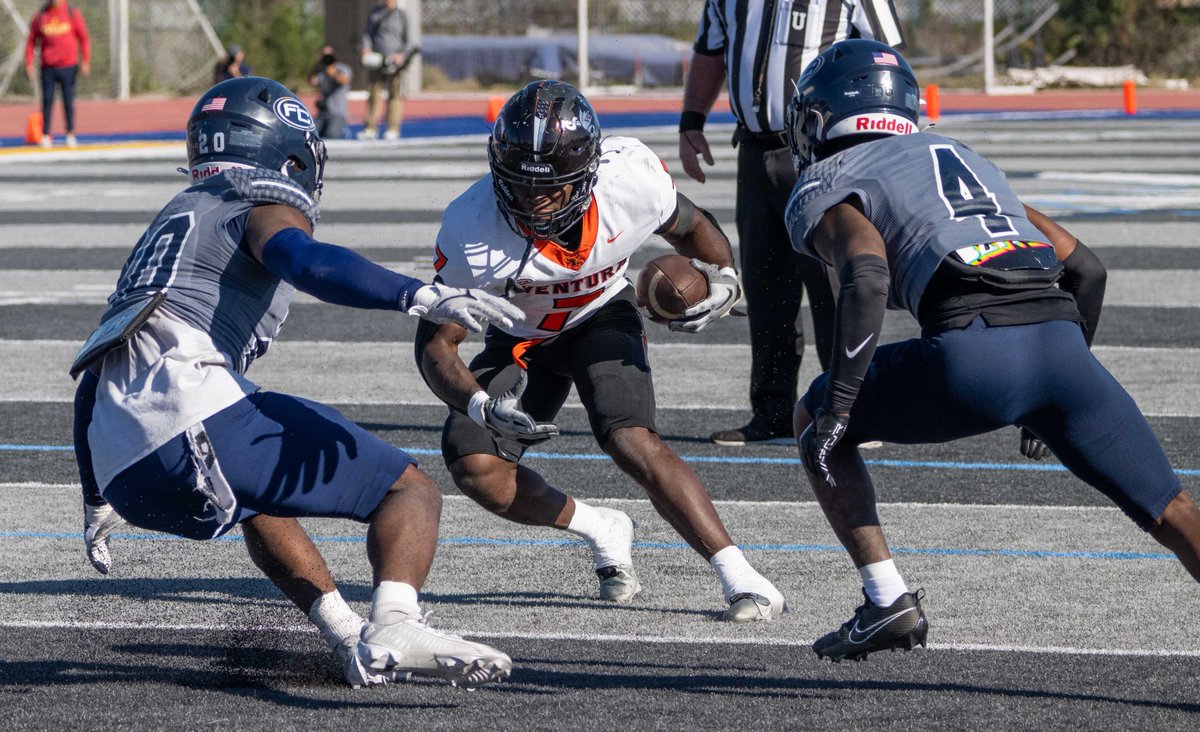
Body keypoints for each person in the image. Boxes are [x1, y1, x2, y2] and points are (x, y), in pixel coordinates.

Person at [71, 76, 524, 688]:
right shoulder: (254, 202)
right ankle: (396, 620)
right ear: (289, 152)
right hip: (190, 421)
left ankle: (347, 638)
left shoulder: (174, 220)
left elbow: (94, 371)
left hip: (124, 469)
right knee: (411, 492)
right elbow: (305, 261)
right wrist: (418, 294)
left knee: (259, 497)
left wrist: (97, 496)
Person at [783, 39, 1200, 662]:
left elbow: (866, 272)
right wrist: (1051, 393)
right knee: (1174, 513)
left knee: (815, 420)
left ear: (821, 116)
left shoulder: (830, 177)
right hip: (1066, 353)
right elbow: (1086, 269)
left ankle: (886, 599)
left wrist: (841, 402)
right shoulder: (965, 156)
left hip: (975, 354)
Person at [415, 80, 786, 622]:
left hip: (600, 315)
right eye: (519, 185)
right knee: (477, 470)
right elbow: (435, 344)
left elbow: (693, 226)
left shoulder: (627, 180)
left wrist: (725, 279)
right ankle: (601, 526)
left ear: (587, 174)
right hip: (519, 335)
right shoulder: (472, 225)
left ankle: (741, 576)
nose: (532, 201)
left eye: (551, 188)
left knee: (631, 438)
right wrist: (478, 405)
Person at [680, 0, 904, 446]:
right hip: (755, 150)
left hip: (826, 150)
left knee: (832, 283)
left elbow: (888, 58)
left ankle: (851, 409)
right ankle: (773, 412)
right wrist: (692, 121)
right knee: (765, 285)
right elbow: (711, 50)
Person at [24, 0, 91, 149]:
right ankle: (46, 134)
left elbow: (83, 38)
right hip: (48, 67)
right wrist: (28, 63)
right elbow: (31, 41)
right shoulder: (41, 15)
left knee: (68, 101)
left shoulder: (72, 13)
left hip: (68, 66)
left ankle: (70, 133)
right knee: (47, 101)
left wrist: (85, 60)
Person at [359, 0, 410, 140]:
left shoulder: (402, 15)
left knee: (395, 94)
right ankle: (370, 127)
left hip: (395, 61)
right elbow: (367, 34)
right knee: (374, 92)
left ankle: (393, 128)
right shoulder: (375, 13)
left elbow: (408, 40)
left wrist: (400, 56)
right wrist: (366, 48)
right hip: (377, 59)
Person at [310, 45, 353, 140]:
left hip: (337, 113)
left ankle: (344, 132)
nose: (327, 58)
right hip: (322, 113)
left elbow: (345, 80)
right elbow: (312, 81)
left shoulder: (342, 68)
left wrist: (334, 73)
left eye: (329, 55)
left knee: (331, 135)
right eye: (324, 55)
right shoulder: (320, 70)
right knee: (310, 133)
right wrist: (318, 64)